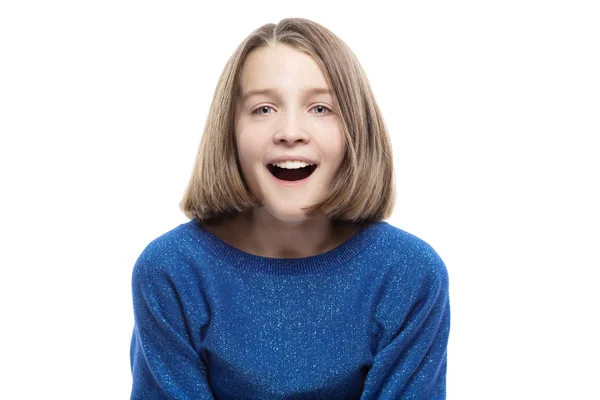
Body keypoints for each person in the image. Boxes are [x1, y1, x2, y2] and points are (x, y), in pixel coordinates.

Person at [129, 17, 450, 400]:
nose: (290, 131)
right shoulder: (171, 272)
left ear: (356, 130)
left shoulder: (409, 274)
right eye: (264, 109)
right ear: (229, 131)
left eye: (320, 108)